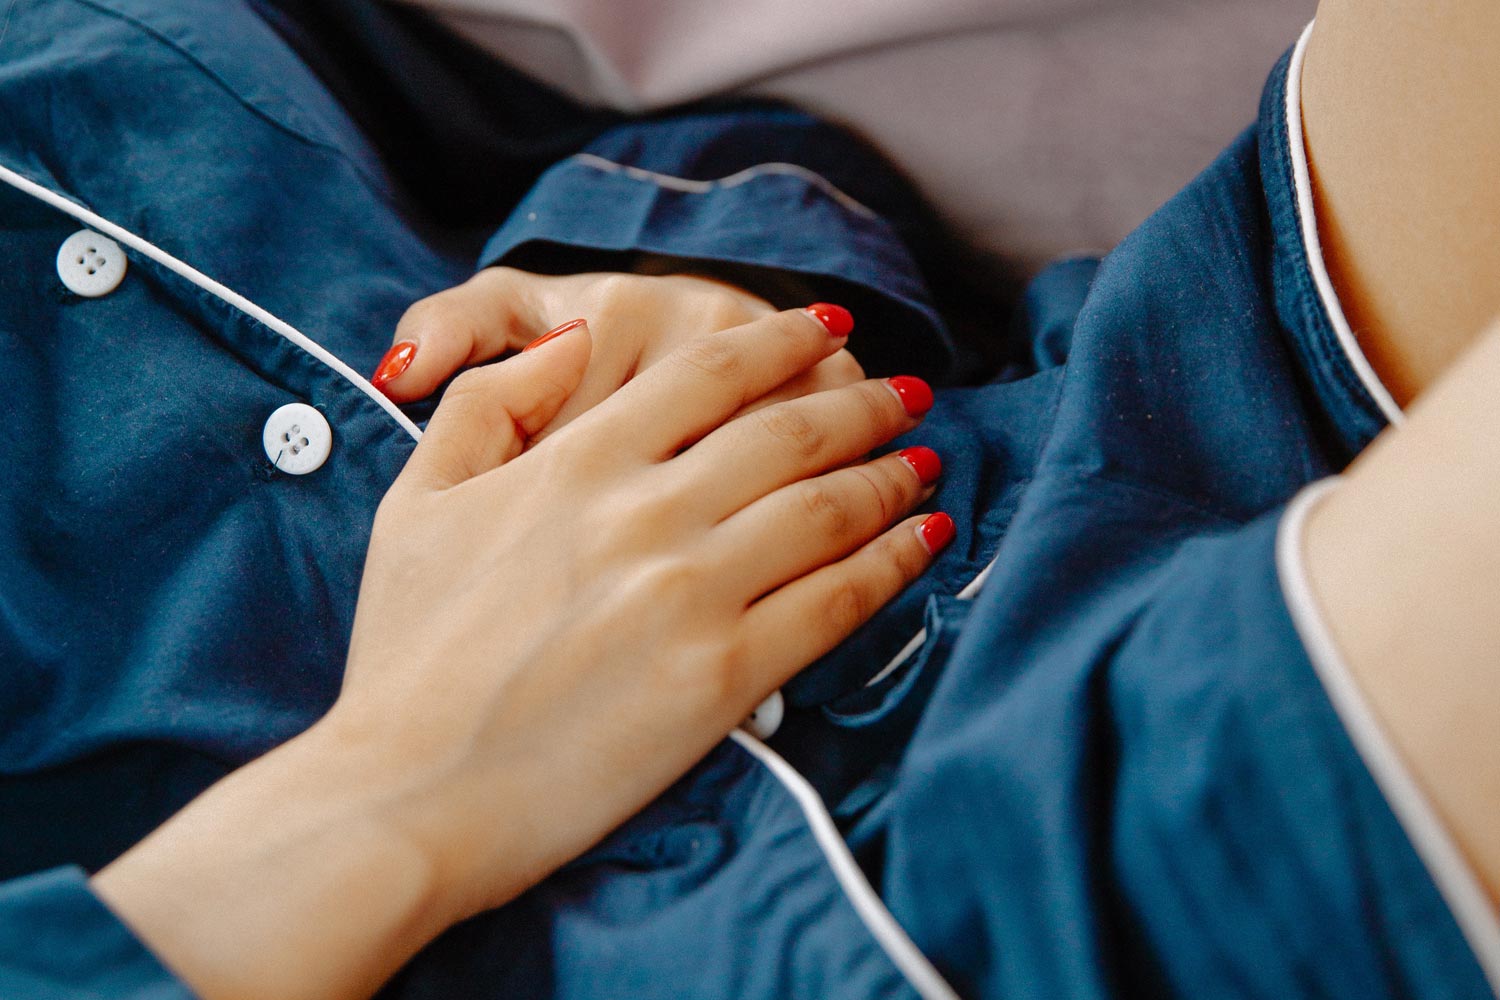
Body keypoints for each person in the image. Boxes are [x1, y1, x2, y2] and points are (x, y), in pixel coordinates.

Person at [1, 3, 1496, 1000]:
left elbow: (586, 142)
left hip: (1024, 458)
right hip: (814, 934)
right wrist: (400, 784)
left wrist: (682, 288)